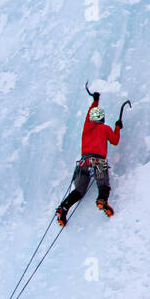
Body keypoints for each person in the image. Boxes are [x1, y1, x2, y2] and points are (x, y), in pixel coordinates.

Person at [55, 91, 122, 226]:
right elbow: (115, 141)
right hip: (98, 161)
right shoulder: (105, 128)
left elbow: (89, 113)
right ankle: (102, 200)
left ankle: (63, 208)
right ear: (102, 118)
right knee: (103, 184)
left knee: (79, 190)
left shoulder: (87, 127)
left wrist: (95, 100)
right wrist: (117, 127)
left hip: (83, 162)